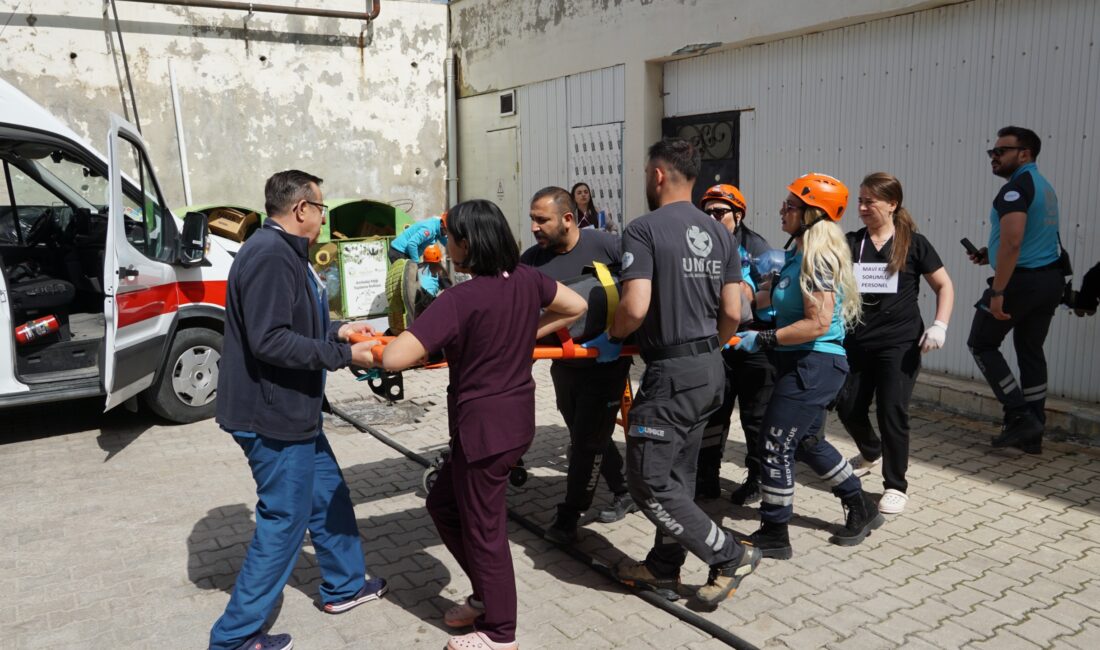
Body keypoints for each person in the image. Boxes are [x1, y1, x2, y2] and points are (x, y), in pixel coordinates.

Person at [372, 199, 586, 650]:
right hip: (510, 424)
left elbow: (395, 357)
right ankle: (487, 596)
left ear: (467, 244)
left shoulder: (459, 299)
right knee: (444, 505)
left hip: (484, 433)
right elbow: (575, 305)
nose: (445, 247)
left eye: (449, 239)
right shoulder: (527, 280)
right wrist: (525, 331)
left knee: (485, 533)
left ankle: (500, 634)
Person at [209, 170, 387, 650]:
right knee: (284, 522)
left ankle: (344, 587)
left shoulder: (285, 252)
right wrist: (345, 355)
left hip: (295, 410)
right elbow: (271, 341)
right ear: (302, 209)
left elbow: (298, 324)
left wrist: (340, 331)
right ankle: (234, 638)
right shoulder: (270, 256)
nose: (325, 217)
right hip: (272, 416)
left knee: (328, 494)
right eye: (323, 207)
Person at [583, 138, 761, 608]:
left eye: (646, 172)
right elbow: (734, 310)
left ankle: (727, 554)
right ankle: (663, 566)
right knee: (677, 474)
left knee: (648, 478)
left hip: (671, 374)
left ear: (658, 175)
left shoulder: (641, 230)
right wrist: (708, 347)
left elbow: (635, 306)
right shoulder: (721, 232)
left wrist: (613, 337)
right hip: (709, 370)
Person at [734, 172, 881, 559]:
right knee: (807, 442)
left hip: (814, 364)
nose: (782, 210)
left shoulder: (818, 258)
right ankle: (861, 504)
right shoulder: (796, 255)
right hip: (799, 362)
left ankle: (775, 530)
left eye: (791, 205)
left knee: (774, 442)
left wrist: (763, 338)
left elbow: (817, 322)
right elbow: (775, 305)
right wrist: (750, 281)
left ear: (812, 214)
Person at [520, 186, 637, 544]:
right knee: (587, 432)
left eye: (542, 220)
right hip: (566, 363)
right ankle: (624, 490)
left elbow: (641, 285)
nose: (535, 227)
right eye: (532, 220)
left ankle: (569, 517)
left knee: (587, 441)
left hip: (608, 361)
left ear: (568, 219)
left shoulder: (607, 246)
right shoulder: (531, 261)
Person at [836, 173, 955, 516]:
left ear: (892, 203)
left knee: (892, 411)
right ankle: (871, 451)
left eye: (869, 201)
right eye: (859, 201)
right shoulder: (853, 242)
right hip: (857, 339)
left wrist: (940, 325)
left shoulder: (914, 244)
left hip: (900, 343)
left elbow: (944, 286)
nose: (861, 208)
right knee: (848, 406)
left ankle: (895, 485)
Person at [967, 126, 1065, 454]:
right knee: (1030, 351)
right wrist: (989, 253)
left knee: (981, 343)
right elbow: (1029, 238)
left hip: (1021, 283)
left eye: (1001, 151)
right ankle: (1032, 432)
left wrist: (997, 291)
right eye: (991, 152)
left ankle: (1019, 413)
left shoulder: (1014, 189)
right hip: (1049, 281)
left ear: (1024, 154)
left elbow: (1013, 241)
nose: (993, 157)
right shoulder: (1043, 186)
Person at [694, 184, 777, 505]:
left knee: (755, 419)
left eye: (720, 212)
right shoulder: (700, 244)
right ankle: (707, 476)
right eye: (708, 212)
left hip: (753, 344)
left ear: (738, 215)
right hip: (717, 342)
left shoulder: (757, 248)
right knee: (714, 413)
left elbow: (754, 299)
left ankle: (756, 478)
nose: (712, 217)